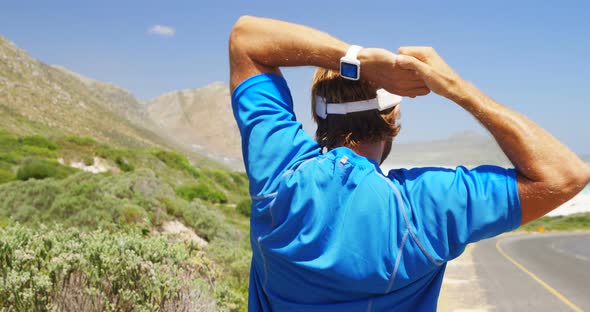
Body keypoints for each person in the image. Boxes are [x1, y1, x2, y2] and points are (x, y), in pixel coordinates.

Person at [228, 16, 590, 311]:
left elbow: (246, 39)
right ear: (394, 117)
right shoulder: (426, 207)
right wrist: (455, 88)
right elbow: (566, 175)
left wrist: (355, 58)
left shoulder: (277, 181)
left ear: (320, 116)